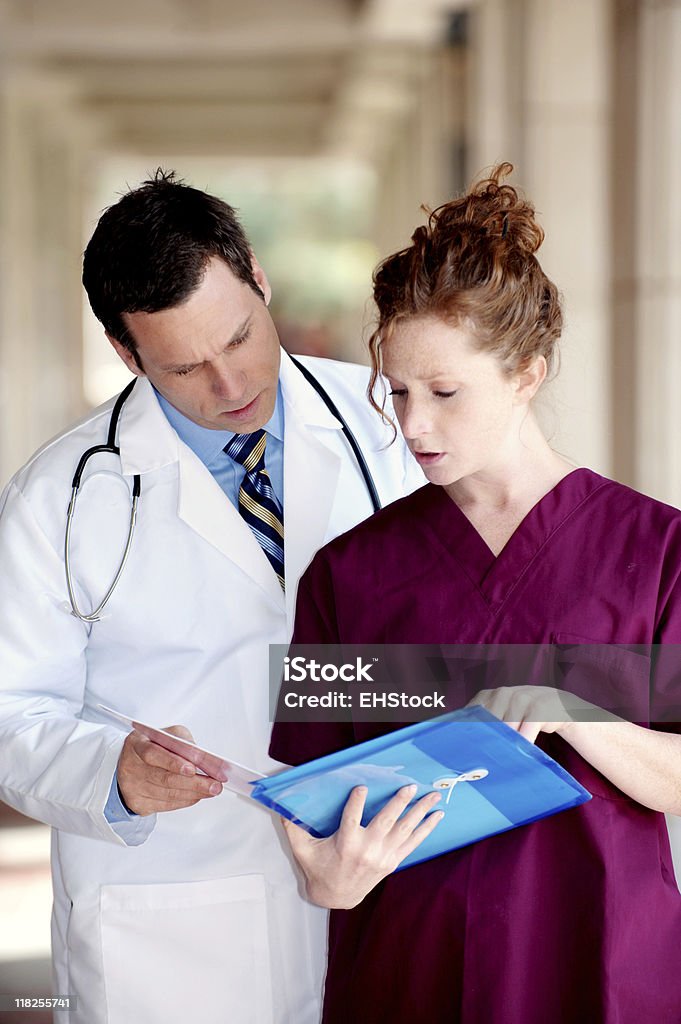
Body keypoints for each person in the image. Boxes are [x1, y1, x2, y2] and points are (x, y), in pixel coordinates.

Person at [0, 170, 423, 1024]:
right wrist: (110, 774)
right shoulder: (61, 495)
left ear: (260, 281)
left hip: (384, 876)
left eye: (241, 338)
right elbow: (10, 712)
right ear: (127, 356)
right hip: (174, 919)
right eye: (185, 367)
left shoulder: (390, 420)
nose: (230, 386)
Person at [270, 163, 681, 1024]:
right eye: (398, 393)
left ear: (527, 374)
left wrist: (567, 710)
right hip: (408, 970)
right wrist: (323, 872)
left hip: (597, 965)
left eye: (445, 393)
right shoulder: (348, 574)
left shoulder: (656, 549)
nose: (414, 425)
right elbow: (307, 800)